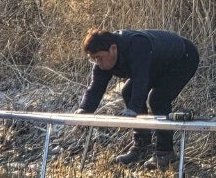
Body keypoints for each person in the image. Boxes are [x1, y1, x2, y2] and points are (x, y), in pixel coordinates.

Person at [77, 29, 200, 169]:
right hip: (156, 62)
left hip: (183, 58)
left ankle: (165, 153)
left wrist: (133, 109)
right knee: (127, 92)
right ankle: (142, 146)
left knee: (158, 99)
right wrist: (84, 109)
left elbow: (141, 79)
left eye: (99, 57)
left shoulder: (136, 45)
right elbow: (96, 87)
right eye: (93, 59)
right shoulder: (102, 61)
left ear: (113, 49)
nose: (97, 62)